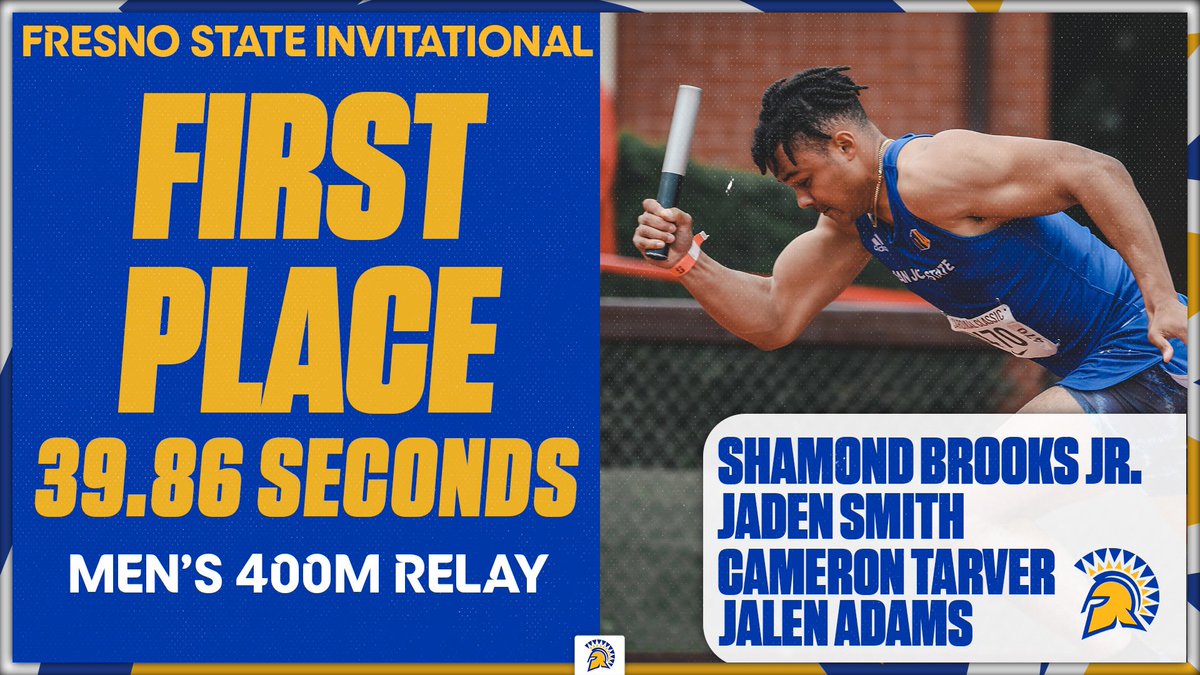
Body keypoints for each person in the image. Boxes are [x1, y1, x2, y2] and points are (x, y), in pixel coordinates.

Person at [633, 66, 1187, 413]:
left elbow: (1097, 172)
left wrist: (1162, 300)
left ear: (845, 146)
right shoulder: (855, 225)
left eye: (804, 181)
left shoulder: (933, 172)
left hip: (1152, 348)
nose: (803, 201)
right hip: (1090, 368)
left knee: (1022, 458)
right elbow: (774, 316)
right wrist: (688, 261)